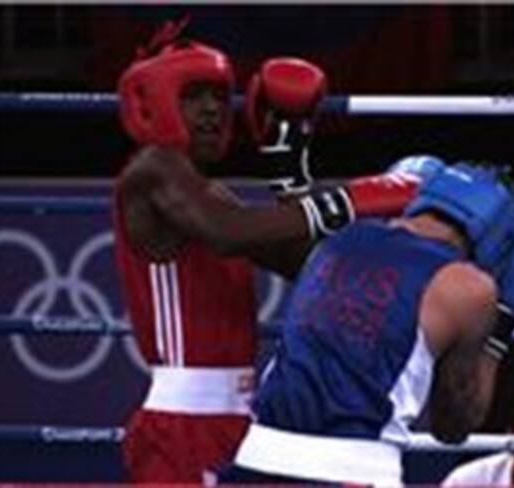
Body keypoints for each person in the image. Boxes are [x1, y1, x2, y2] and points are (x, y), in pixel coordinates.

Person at [113, 19, 423, 483]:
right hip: (182, 425)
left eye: (219, 97)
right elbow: (227, 233)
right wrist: (348, 200)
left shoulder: (211, 195)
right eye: (194, 96)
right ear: (156, 102)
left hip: (241, 421)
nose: (212, 109)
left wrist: (289, 175)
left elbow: (309, 266)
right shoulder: (152, 171)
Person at [218, 163, 514, 485]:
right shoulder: (468, 287)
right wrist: (504, 318)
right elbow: (454, 424)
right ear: (495, 237)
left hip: (254, 457)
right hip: (353, 467)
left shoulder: (336, 241)